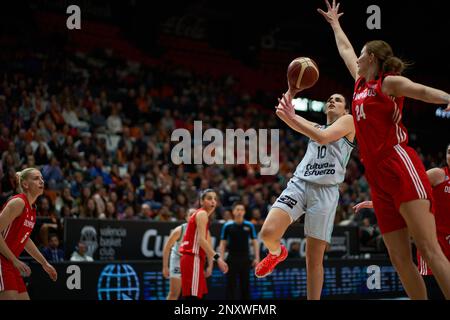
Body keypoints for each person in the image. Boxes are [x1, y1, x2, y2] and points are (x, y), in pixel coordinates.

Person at [318, 0, 450, 299]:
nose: (358, 58)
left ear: (372, 57)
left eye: (363, 54)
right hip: (376, 174)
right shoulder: (359, 84)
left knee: (429, 249)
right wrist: (336, 24)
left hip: (398, 161)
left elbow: (421, 91)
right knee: (399, 259)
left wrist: (447, 97)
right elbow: (345, 50)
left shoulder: (387, 83)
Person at [255, 90, 356, 301]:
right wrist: (288, 102)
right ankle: (276, 254)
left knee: (313, 259)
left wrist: (293, 117)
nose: (332, 100)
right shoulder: (316, 126)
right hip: (299, 184)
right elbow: (284, 115)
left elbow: (322, 136)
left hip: (325, 192)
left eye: (337, 100)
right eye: (329, 98)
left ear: (345, 109)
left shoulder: (349, 121)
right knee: (267, 234)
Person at [354, 143, 450, 299]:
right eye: (449, 152)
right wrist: (378, 203)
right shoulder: (439, 174)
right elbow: (408, 188)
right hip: (437, 247)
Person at [0, 168, 58, 300]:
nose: (41, 181)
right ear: (25, 184)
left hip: (10, 262)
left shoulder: (32, 209)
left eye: (42, 178)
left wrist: (44, 263)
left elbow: (25, 239)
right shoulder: (18, 202)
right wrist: (14, 260)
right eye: (36, 178)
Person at [179, 189, 228, 299]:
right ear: (201, 201)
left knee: (193, 295)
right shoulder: (202, 214)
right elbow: (201, 241)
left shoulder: (201, 215)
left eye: (215, 199)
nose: (213, 201)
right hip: (192, 258)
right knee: (193, 297)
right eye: (209, 198)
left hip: (192, 259)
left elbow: (204, 241)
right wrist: (218, 258)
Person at [162, 208, 214, 300]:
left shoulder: (205, 231)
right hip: (178, 259)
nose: (193, 216)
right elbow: (167, 248)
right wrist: (165, 267)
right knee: (174, 293)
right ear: (186, 218)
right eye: (191, 215)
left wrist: (210, 266)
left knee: (195, 293)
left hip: (194, 261)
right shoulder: (179, 230)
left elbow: (209, 250)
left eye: (195, 215)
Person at [219, 202, 260, 300]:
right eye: (237, 209)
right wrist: (221, 259)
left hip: (245, 259)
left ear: (244, 212)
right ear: (233, 212)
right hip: (231, 259)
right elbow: (222, 243)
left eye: (241, 210)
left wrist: (257, 258)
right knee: (231, 286)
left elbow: (255, 242)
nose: (239, 212)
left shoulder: (249, 225)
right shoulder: (227, 226)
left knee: (245, 286)